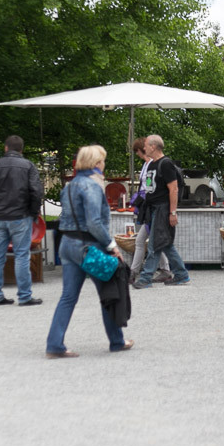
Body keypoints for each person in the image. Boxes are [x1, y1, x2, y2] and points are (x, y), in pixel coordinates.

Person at [47, 145, 132, 359]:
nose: (104, 165)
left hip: (67, 244)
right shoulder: (92, 186)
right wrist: (112, 246)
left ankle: (54, 344)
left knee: (67, 297)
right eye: (102, 161)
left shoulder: (69, 186)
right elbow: (94, 222)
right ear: (96, 164)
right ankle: (116, 341)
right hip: (88, 247)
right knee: (108, 292)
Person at [0, 134, 43, 306]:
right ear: (21, 150)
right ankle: (24, 296)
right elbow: (36, 192)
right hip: (21, 217)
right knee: (22, 256)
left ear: (6, 148)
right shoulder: (28, 166)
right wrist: (33, 213)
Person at [133, 135, 192, 288]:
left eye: (146, 145)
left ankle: (145, 278)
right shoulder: (152, 165)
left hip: (162, 209)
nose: (144, 148)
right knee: (165, 244)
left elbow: (173, 189)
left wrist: (172, 212)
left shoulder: (166, 164)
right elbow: (148, 188)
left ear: (153, 146)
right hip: (153, 209)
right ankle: (181, 274)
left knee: (154, 244)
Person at [129, 137, 171, 282]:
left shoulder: (150, 166)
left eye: (138, 152)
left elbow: (148, 187)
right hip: (151, 207)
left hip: (152, 208)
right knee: (153, 240)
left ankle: (135, 273)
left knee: (144, 241)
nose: (139, 154)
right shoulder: (148, 166)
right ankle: (165, 269)